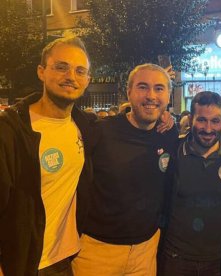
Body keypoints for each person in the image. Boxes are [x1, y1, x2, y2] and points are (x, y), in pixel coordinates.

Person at [71, 64, 178, 276]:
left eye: (159, 88)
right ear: (128, 92)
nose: (151, 95)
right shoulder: (100, 132)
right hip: (96, 251)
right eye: (142, 87)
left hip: (146, 251)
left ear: (168, 95)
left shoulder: (169, 135)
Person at [0, 36, 93, 276]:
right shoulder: (10, 131)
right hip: (23, 265)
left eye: (79, 71)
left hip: (64, 260)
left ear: (87, 80)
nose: (71, 76)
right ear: (41, 71)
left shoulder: (85, 126)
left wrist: (164, 119)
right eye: (61, 67)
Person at [157, 91, 221, 276]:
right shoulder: (173, 152)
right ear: (190, 119)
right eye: (202, 120)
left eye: (215, 121)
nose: (208, 128)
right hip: (174, 259)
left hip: (219, 263)